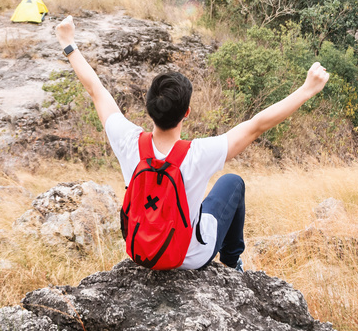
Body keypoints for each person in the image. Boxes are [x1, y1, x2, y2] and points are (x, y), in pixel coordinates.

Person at [54, 15, 330, 271]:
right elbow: (258, 124)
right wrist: (306, 90)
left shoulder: (127, 140)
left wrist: (68, 44)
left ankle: (218, 258)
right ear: (186, 113)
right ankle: (233, 263)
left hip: (142, 251)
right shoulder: (198, 154)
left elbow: (96, 90)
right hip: (190, 257)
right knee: (233, 182)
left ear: (148, 107)